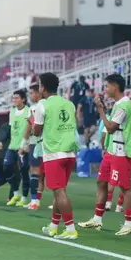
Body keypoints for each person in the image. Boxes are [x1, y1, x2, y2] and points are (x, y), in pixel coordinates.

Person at [78, 74, 131, 236]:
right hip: (112, 150)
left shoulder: (124, 105)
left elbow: (110, 128)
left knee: (124, 187)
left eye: (107, 86)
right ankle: (97, 219)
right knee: (101, 182)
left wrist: (101, 110)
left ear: (115, 86)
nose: (106, 89)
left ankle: (128, 223)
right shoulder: (119, 104)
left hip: (121, 151)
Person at [33, 72, 80, 240]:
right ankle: (53, 226)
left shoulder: (42, 105)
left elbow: (36, 131)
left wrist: (33, 124)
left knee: (59, 192)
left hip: (54, 152)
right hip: (70, 152)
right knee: (60, 191)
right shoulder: (69, 104)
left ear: (42, 87)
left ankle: (70, 229)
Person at [0, 90, 31, 207]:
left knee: (24, 172)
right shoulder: (12, 112)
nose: (14, 100)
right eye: (13, 98)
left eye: (16, 98)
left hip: (23, 146)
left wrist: (27, 144)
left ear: (23, 99)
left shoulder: (29, 111)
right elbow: (10, 129)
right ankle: (16, 194)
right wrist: (2, 141)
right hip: (12, 146)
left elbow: (31, 128)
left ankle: (24, 198)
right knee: (7, 167)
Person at [21, 84, 44, 210]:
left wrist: (23, 144)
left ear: (38, 93)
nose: (30, 96)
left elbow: (31, 127)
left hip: (37, 142)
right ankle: (37, 200)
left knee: (35, 171)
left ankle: (34, 200)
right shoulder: (47, 105)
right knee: (42, 173)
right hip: (48, 143)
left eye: (31, 93)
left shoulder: (35, 108)